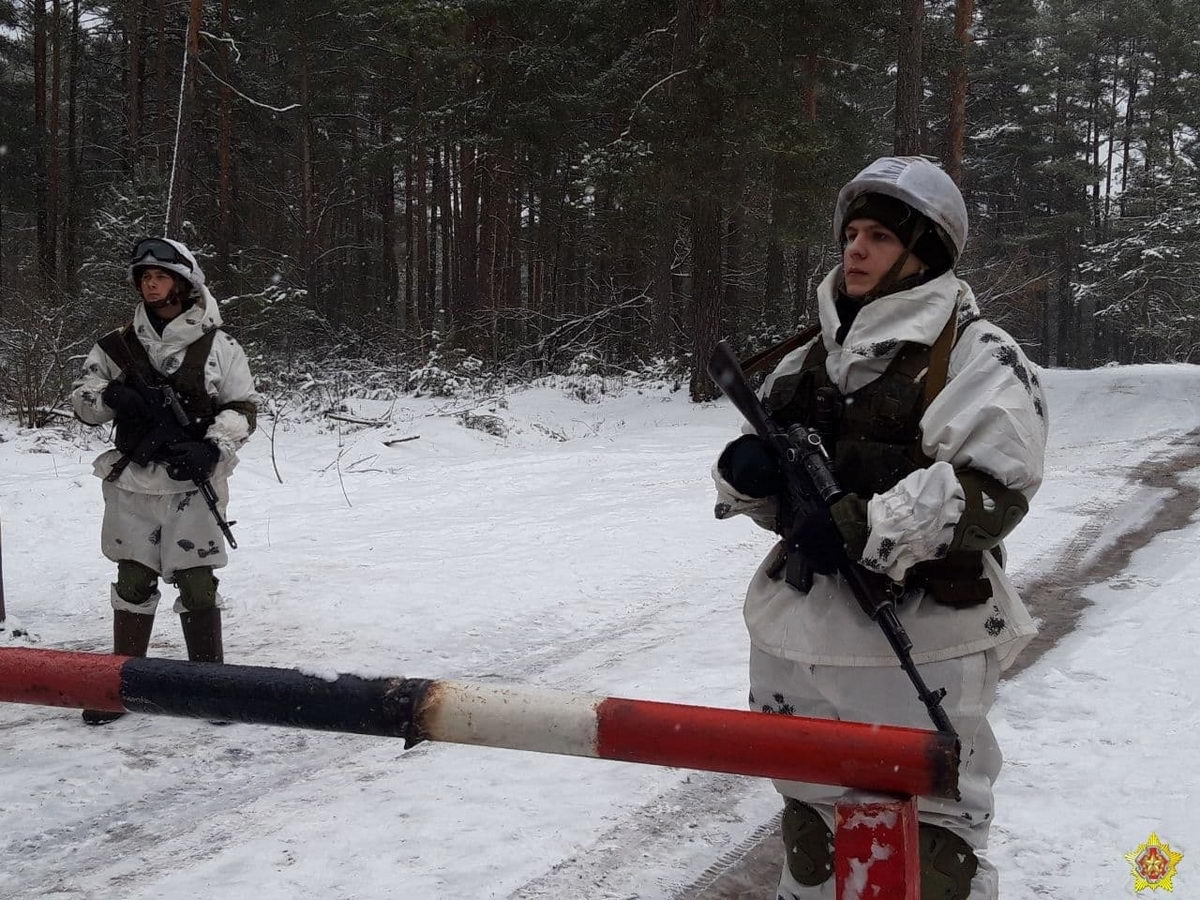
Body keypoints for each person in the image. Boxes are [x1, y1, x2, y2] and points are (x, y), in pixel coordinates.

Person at [712, 157, 1048, 900]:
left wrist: (869, 524)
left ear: (924, 251)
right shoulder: (810, 357)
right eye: (851, 234)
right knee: (810, 829)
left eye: (879, 238)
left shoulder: (975, 354)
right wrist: (753, 478)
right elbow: (770, 486)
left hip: (922, 637)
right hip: (796, 629)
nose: (855, 250)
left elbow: (997, 486)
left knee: (929, 846)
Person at [71, 237, 259, 725]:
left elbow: (241, 408)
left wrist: (211, 446)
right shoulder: (116, 345)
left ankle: (209, 687)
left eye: (159, 276)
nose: (149, 284)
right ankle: (121, 684)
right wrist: (114, 396)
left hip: (193, 481)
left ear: (183, 284)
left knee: (197, 582)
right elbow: (84, 401)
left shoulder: (220, 346)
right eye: (143, 277)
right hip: (133, 479)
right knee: (132, 578)